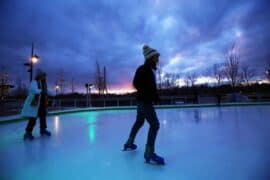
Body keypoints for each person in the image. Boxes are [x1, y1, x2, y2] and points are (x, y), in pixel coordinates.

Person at [123, 45, 165, 165]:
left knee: (140, 122)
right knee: (155, 124)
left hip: (142, 100)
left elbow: (150, 86)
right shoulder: (143, 69)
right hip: (144, 101)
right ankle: (149, 153)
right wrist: (147, 94)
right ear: (151, 57)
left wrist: (155, 95)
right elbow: (136, 83)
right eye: (157, 56)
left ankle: (129, 142)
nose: (158, 58)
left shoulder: (150, 69)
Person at [21, 69, 52, 140]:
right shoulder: (34, 82)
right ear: (39, 75)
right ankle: (28, 132)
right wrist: (42, 91)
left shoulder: (44, 83)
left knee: (43, 117)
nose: (45, 77)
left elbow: (46, 91)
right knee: (33, 119)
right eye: (43, 75)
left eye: (45, 75)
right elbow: (35, 90)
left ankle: (43, 130)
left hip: (42, 103)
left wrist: (52, 93)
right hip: (35, 104)